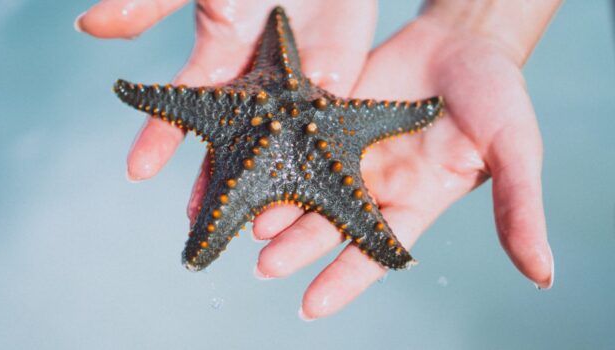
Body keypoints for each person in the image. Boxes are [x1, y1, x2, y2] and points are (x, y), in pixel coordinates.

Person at [75, 0, 558, 320]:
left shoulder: (293, 95)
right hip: (305, 111)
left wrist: (476, 23)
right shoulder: (294, 92)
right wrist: (478, 20)